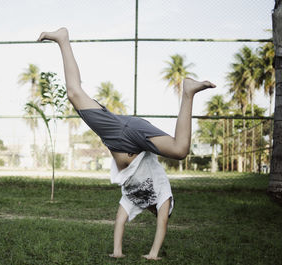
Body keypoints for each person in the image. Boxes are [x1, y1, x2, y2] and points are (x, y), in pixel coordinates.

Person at [37, 28, 216, 260]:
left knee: (180, 150)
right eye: (158, 212)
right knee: (74, 93)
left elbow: (120, 220)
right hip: (129, 133)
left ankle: (188, 93)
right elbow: (163, 223)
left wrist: (118, 252)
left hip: (122, 137)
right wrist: (153, 254)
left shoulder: (135, 197)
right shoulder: (163, 196)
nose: (155, 213)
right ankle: (63, 38)